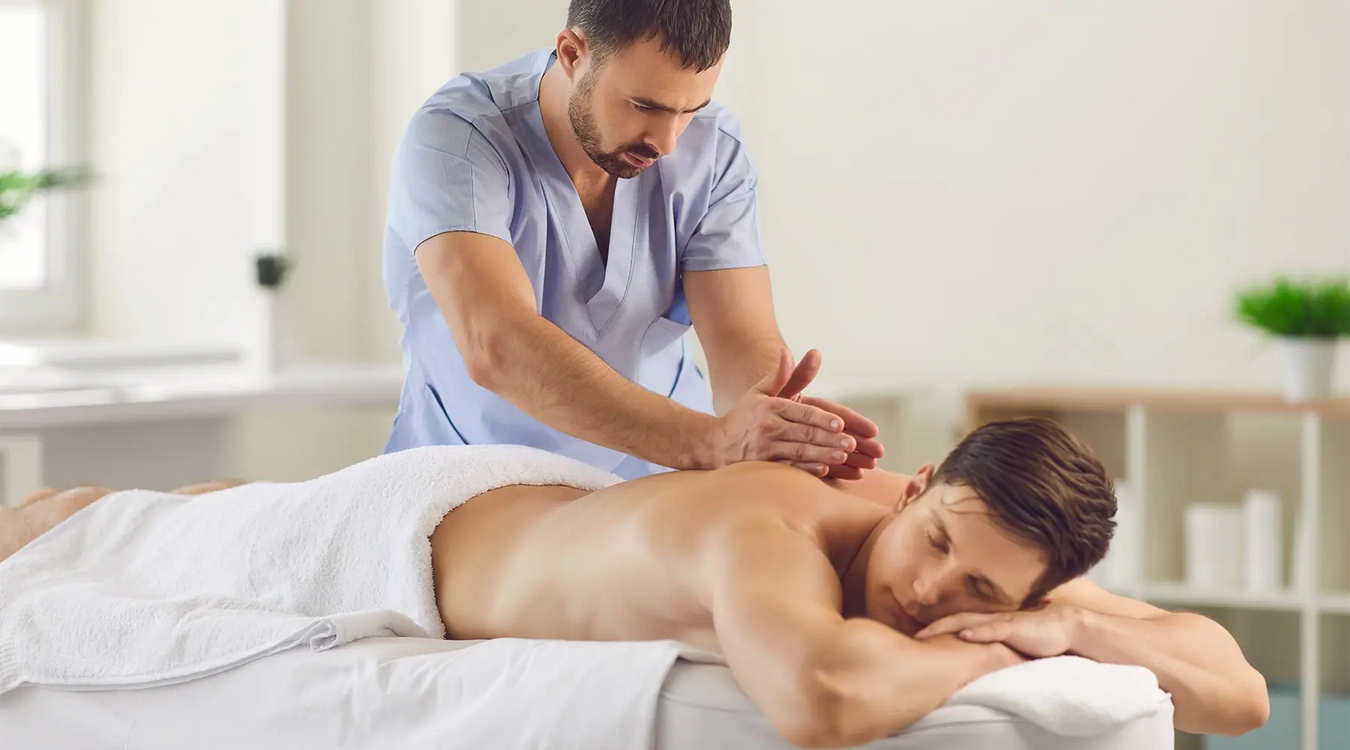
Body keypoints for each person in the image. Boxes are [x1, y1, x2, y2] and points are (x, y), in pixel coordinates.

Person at [1, 418, 1267, 746]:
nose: (934, 593)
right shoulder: (764, 538)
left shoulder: (987, 567)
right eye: (936, 543)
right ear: (920, 481)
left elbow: (1237, 693)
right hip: (400, 536)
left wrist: (1065, 621)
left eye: (983, 586)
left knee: (184, 515)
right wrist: (1001, 649)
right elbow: (819, 703)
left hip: (547, 505)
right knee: (94, 531)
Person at [381, 0, 883, 480]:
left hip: (663, 479)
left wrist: (773, 424)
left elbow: (740, 342)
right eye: (646, 105)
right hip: (479, 479)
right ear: (572, 54)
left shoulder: (713, 149)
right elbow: (498, 345)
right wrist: (711, 443)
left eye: (690, 110)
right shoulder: (458, 138)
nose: (667, 142)